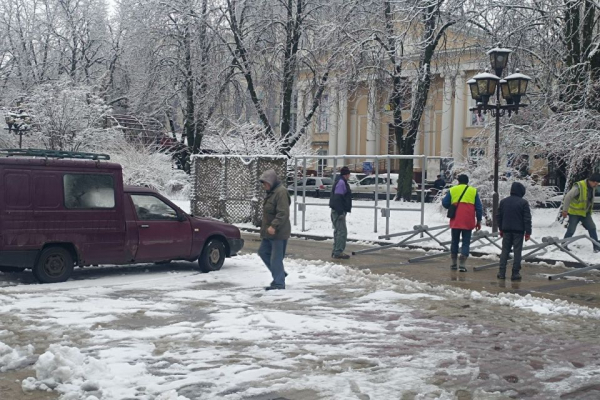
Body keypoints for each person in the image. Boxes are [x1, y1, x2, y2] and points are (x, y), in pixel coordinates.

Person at [258, 169, 291, 290]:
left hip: (278, 232)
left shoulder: (281, 192)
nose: (264, 186)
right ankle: (280, 274)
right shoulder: (272, 192)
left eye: (265, 183)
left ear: (271, 181)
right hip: (269, 232)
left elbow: (283, 213)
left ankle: (279, 283)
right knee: (263, 252)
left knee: (275, 258)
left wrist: (274, 226)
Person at [442, 174, 483, 272]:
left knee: (454, 241)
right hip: (468, 220)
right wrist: (479, 220)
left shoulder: (453, 190)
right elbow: (479, 208)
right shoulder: (473, 191)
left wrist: (453, 205)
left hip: (456, 219)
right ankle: (462, 265)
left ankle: (453, 263)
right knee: (466, 242)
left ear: (458, 181)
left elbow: (445, 203)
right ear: (467, 182)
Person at [497, 182, 532, 281]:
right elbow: (527, 219)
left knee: (505, 251)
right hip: (518, 231)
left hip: (506, 230)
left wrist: (501, 228)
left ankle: (501, 272)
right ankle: (515, 273)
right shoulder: (523, 203)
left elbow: (498, 216)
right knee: (517, 252)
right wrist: (528, 232)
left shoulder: (503, 202)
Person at [561, 172, 600, 253]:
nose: (597, 185)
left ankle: (596, 246)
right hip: (575, 213)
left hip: (585, 213)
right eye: (596, 183)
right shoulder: (579, 186)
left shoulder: (591, 187)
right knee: (571, 230)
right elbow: (568, 197)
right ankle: (563, 245)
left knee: (592, 227)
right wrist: (565, 210)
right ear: (593, 181)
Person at [329, 166, 353, 259]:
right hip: (339, 211)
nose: (349, 176)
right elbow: (337, 198)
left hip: (338, 210)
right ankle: (338, 251)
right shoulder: (341, 183)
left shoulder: (340, 181)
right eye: (348, 174)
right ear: (346, 174)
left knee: (338, 231)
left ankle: (336, 251)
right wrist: (340, 213)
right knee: (341, 232)